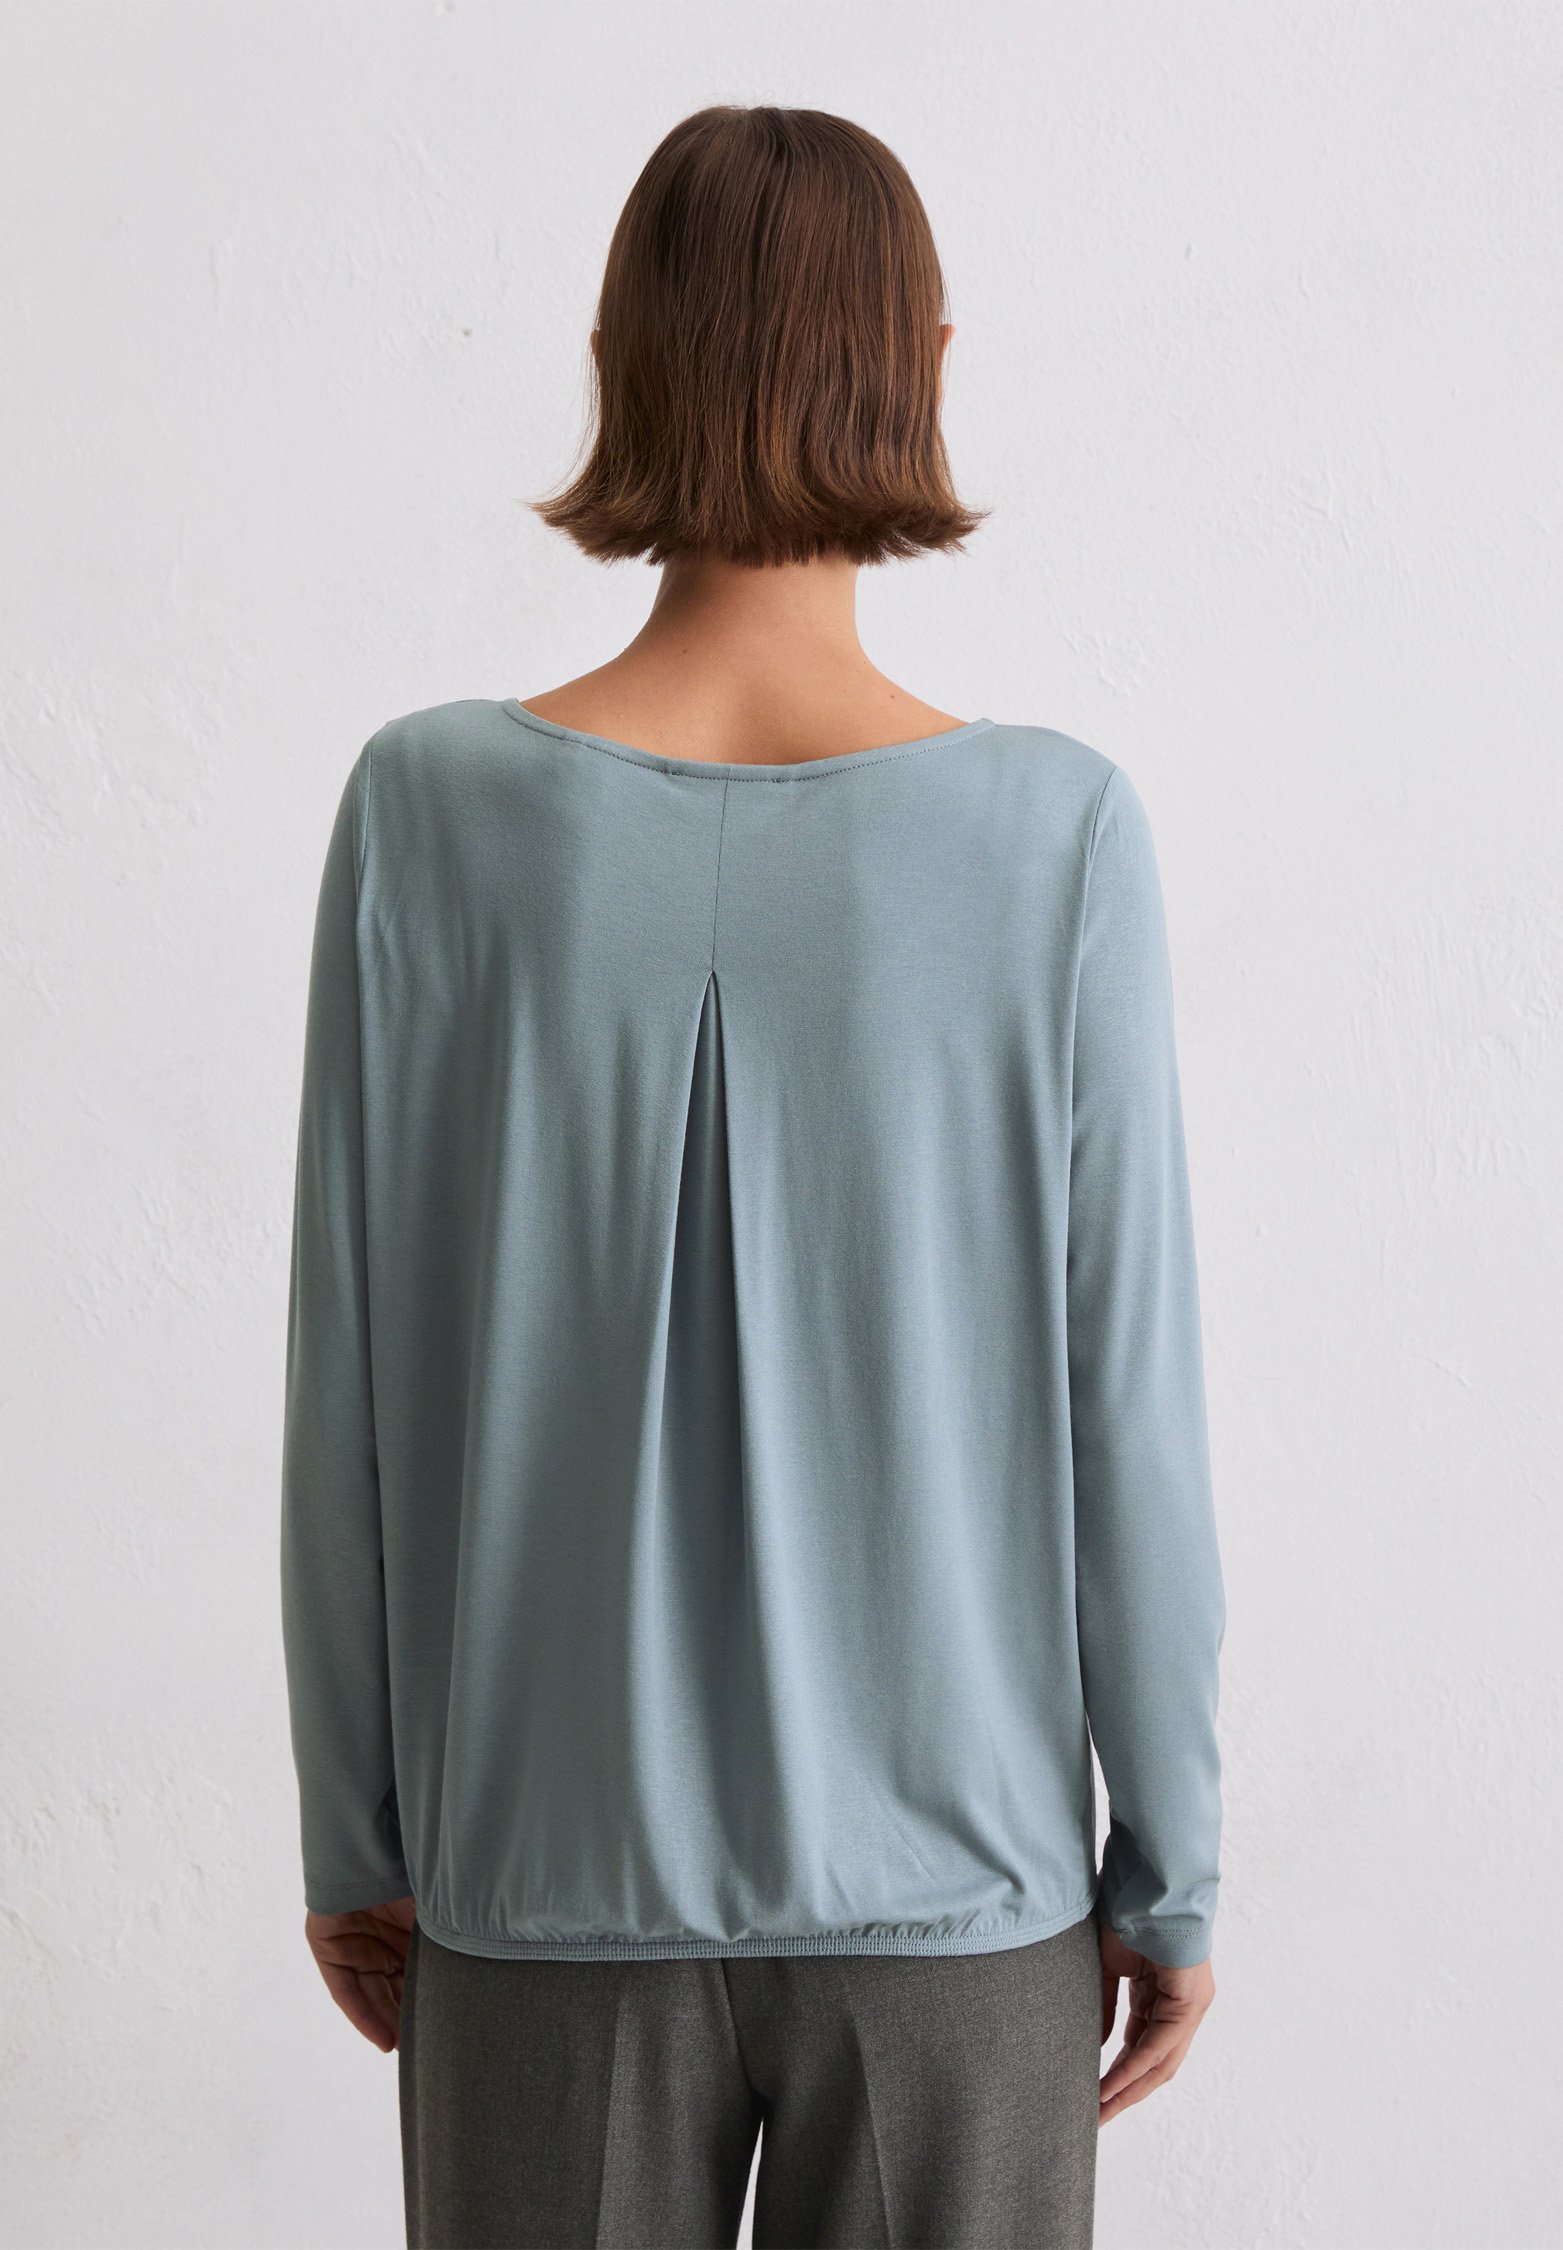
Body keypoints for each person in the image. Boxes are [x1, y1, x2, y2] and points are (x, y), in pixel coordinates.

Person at [281, 103, 1225, 2250]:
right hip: (961, 1919)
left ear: (613, 359)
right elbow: (1131, 1415)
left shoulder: (425, 815)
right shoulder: (1057, 840)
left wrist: (359, 1828)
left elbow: (349, 1384)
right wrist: (1166, 1867)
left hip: (538, 1889)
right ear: (929, 363)